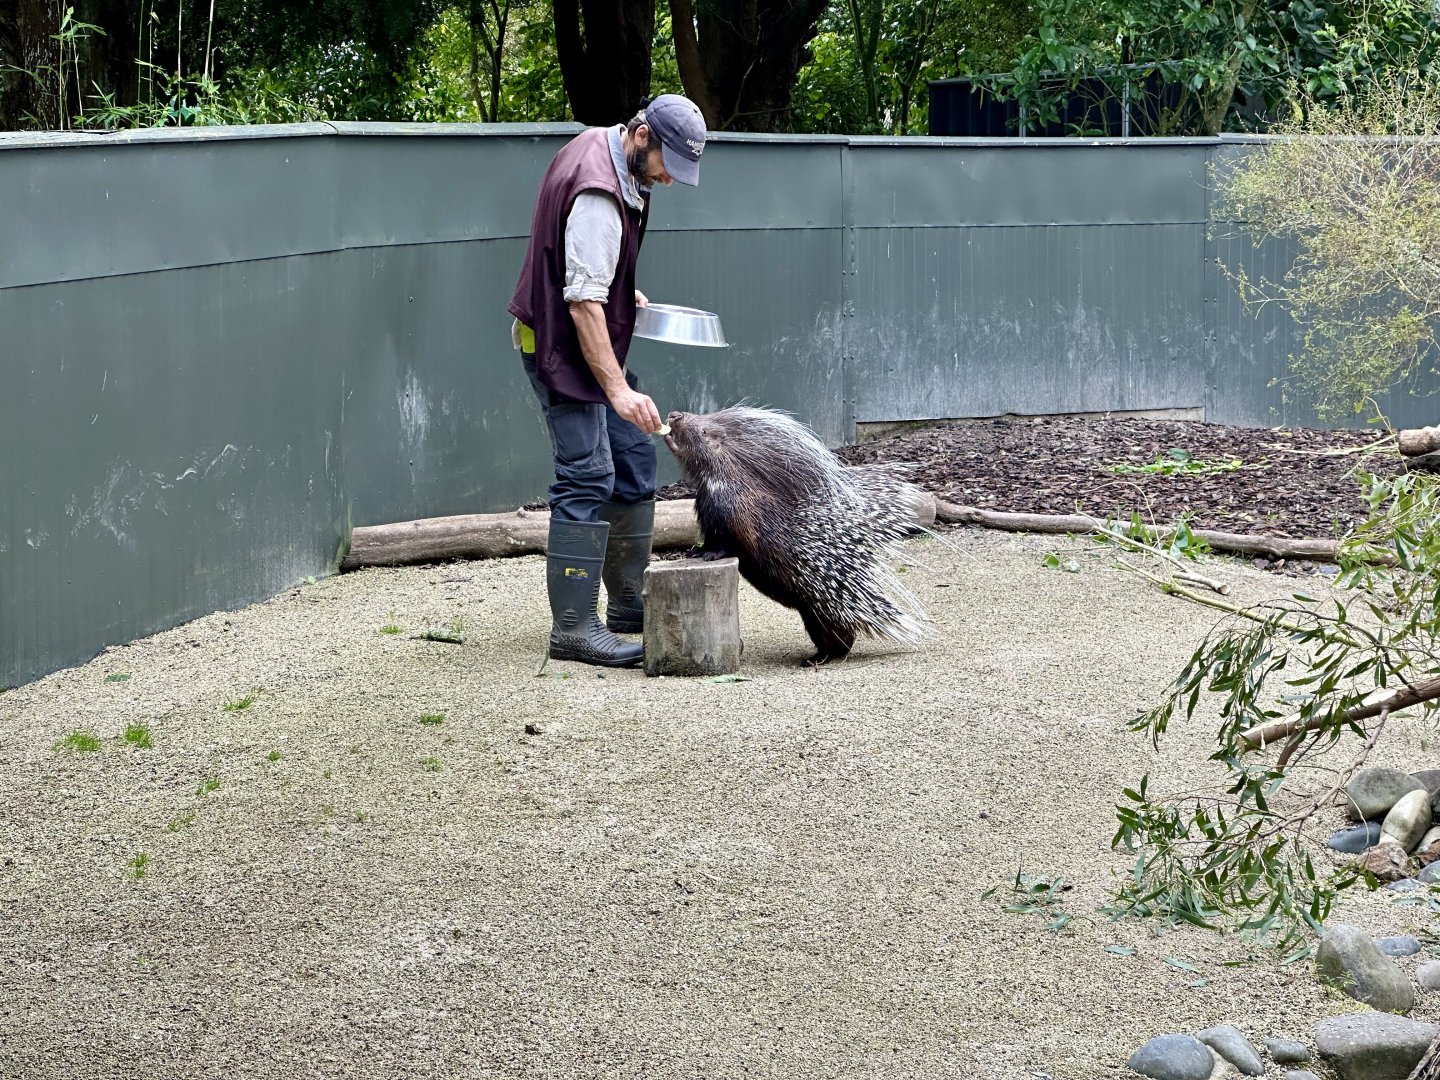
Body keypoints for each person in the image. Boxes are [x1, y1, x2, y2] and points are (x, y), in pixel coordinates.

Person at [508, 93, 707, 668]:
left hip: (584, 338)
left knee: (633, 462)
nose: (671, 179)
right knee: (587, 475)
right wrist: (618, 390)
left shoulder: (604, 143)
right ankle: (572, 629)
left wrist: (623, 291)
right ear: (642, 135)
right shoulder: (599, 189)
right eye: (669, 163)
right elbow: (583, 303)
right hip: (559, 346)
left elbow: (585, 269)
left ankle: (625, 607)